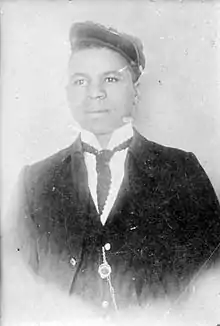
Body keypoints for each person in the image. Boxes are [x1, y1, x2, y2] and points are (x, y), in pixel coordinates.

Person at [8, 21, 220, 312]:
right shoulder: (34, 182)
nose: (95, 93)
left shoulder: (182, 171)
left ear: (135, 90)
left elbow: (210, 289)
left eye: (110, 79)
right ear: (68, 93)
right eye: (81, 81)